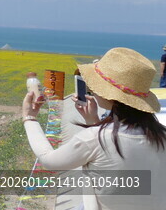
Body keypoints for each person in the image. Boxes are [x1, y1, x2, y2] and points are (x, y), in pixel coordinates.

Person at [21, 47, 166, 210]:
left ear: (108, 95)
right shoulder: (161, 134)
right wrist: (94, 121)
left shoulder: (96, 138)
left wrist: (30, 118)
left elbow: (49, 160)